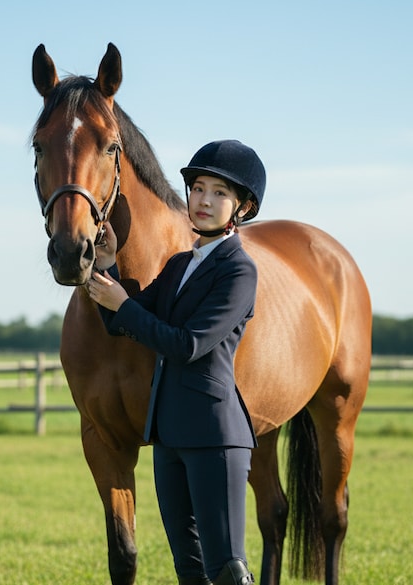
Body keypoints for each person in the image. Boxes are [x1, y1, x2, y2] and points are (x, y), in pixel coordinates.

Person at [86, 139, 265, 585]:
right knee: (188, 570)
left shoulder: (239, 271)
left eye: (220, 193)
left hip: (214, 437)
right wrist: (107, 269)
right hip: (167, 435)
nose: (203, 200)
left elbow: (188, 345)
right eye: (199, 188)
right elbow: (127, 322)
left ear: (241, 207)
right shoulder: (179, 264)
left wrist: (123, 305)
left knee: (226, 570)